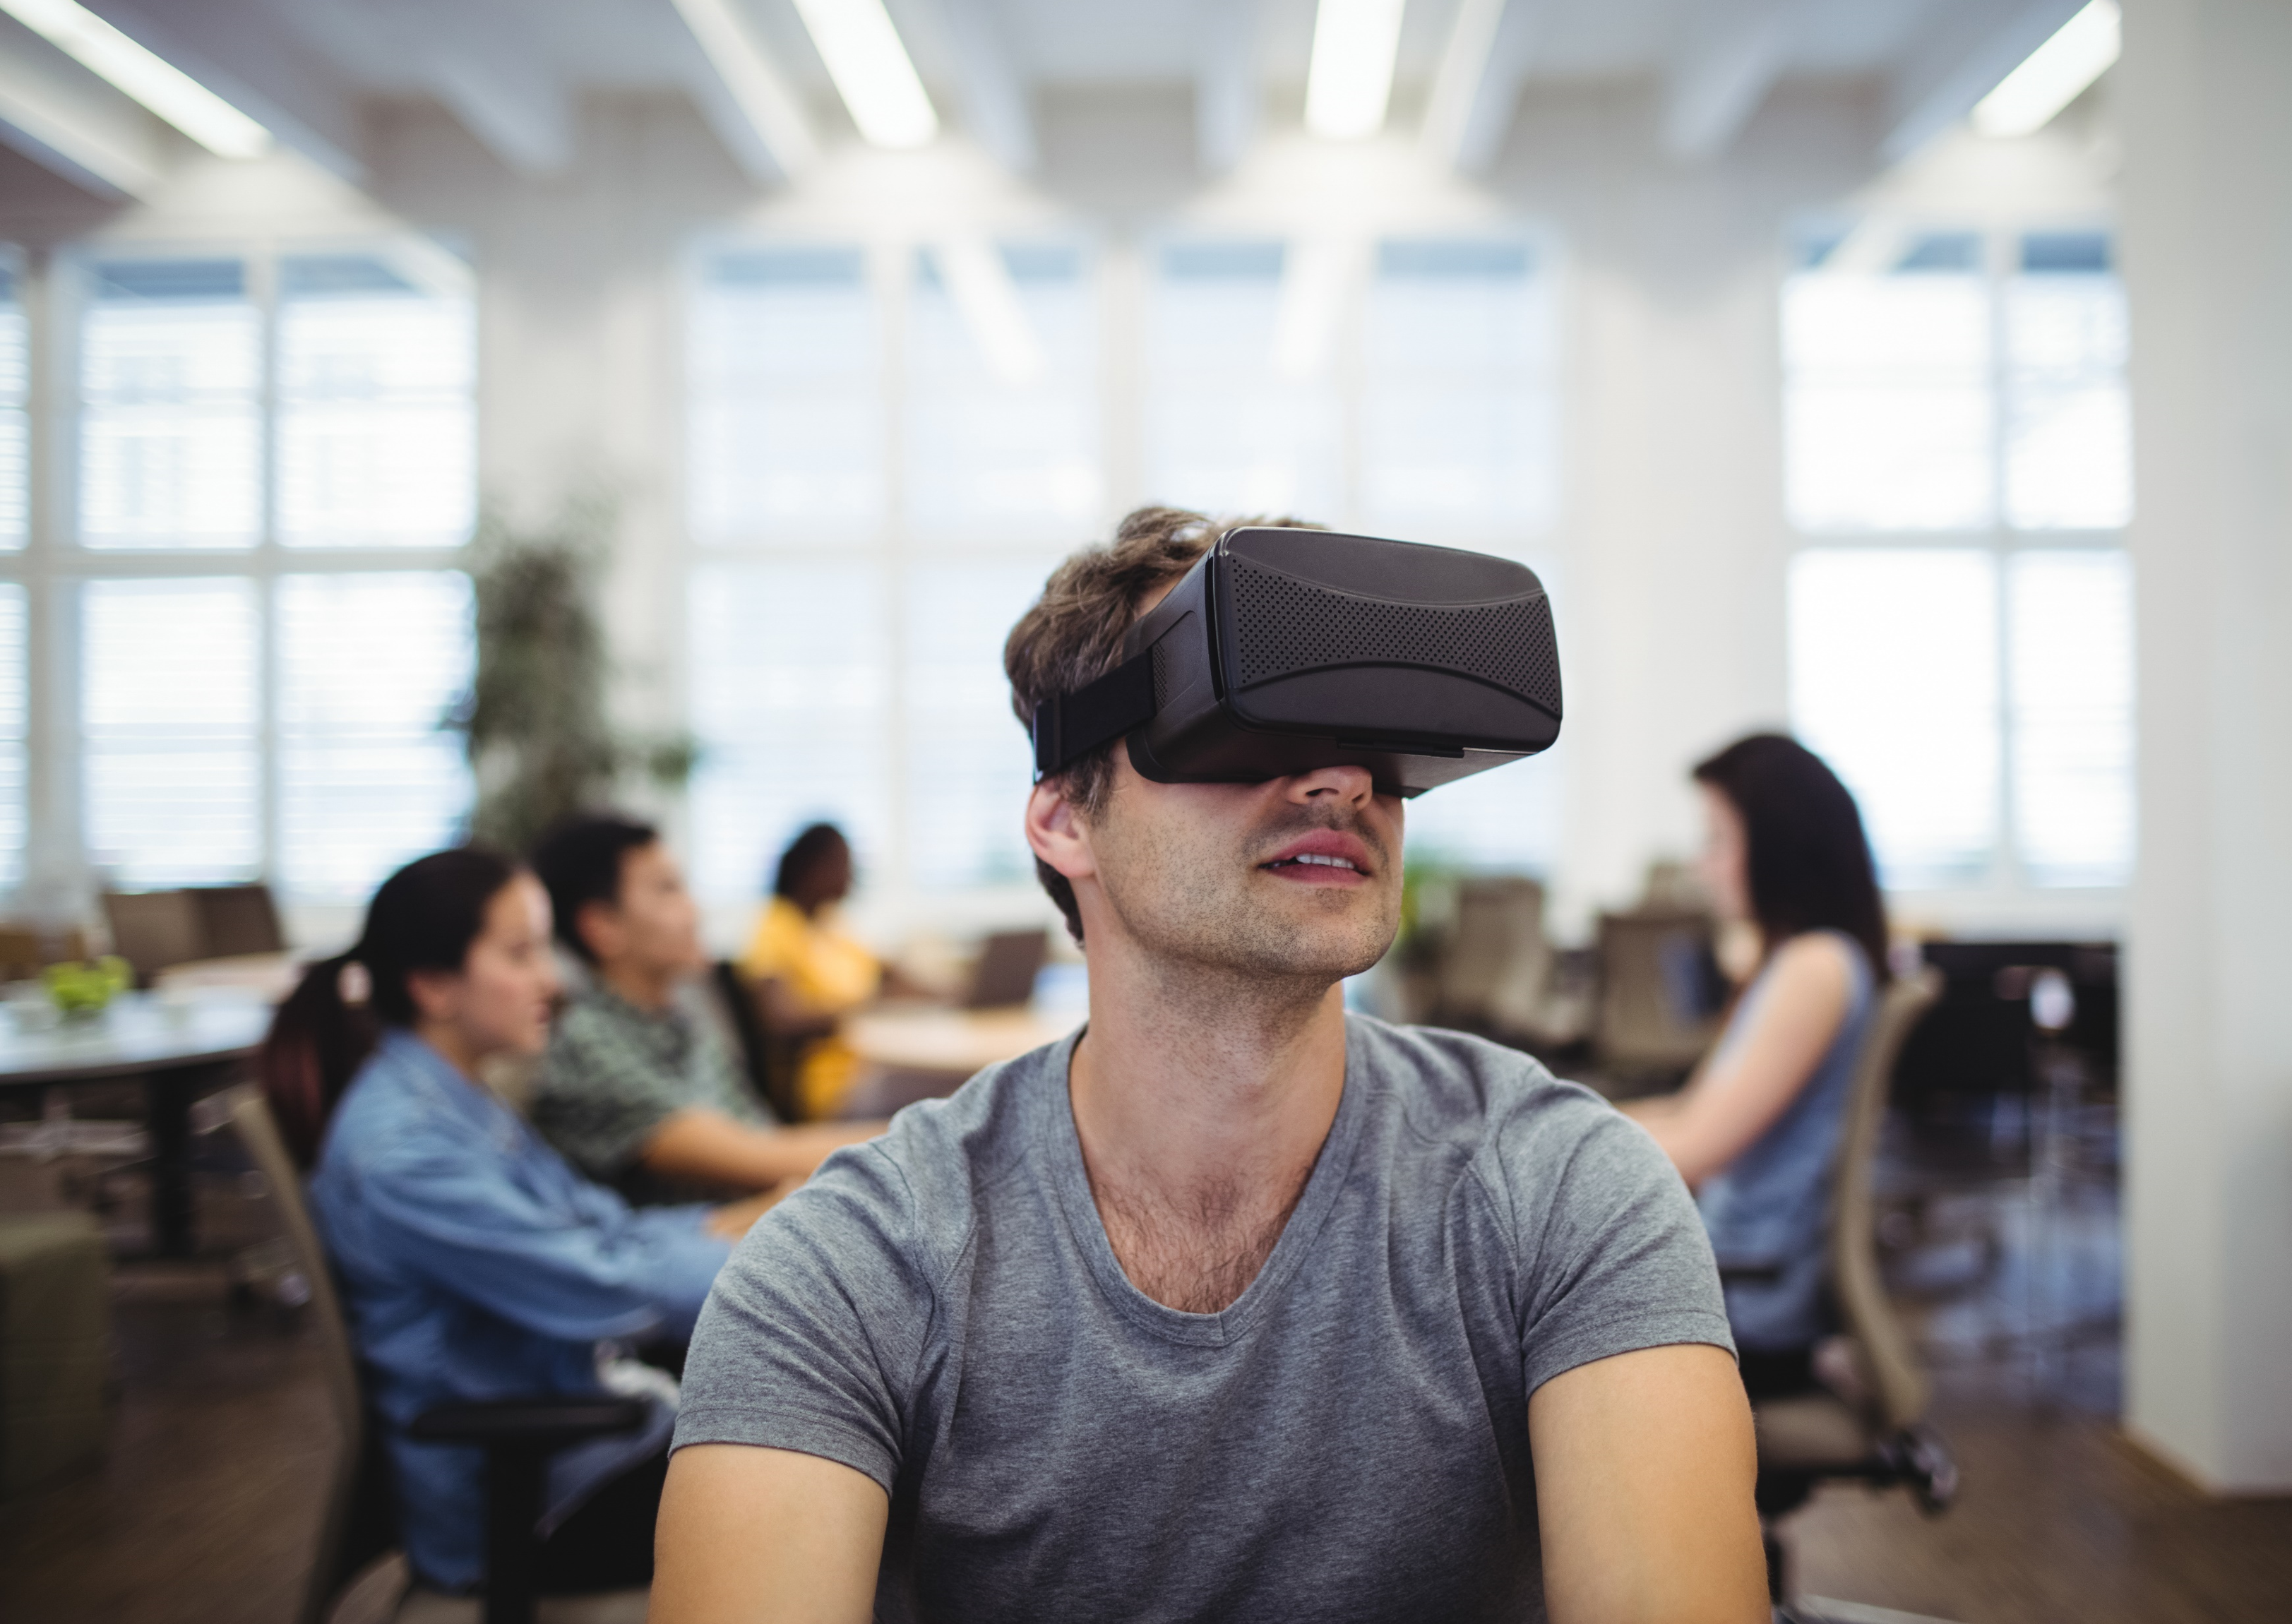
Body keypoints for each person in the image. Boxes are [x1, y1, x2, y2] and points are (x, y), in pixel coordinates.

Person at [653, 508, 1765, 1624]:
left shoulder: (1565, 1192)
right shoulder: (858, 1266)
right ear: (1062, 820)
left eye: (1369, 737)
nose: (1340, 779)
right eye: (1242, 723)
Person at [257, 847, 789, 1597]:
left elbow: (604, 1227)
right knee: (854, 1469)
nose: (552, 979)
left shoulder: (454, 1100)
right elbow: (607, 1284)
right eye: (521, 952)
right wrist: (795, 1258)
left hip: (584, 1435)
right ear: (433, 984)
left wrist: (738, 1224)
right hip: (530, 1501)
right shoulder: (405, 1149)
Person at [1620, 733, 1892, 1399]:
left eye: (1716, 839)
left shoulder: (1814, 968)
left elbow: (1693, 1148)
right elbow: (1690, 1113)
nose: (1700, 863)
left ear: (1775, 845)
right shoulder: (1793, 963)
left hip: (1751, 1299)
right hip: (1739, 1274)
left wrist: (1545, 1149)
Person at [526, 814, 877, 1204]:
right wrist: (927, 1137)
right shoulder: (588, 1046)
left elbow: (768, 1141)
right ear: (602, 926)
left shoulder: (677, 1020)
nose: (695, 911)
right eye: (668, 890)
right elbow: (759, 1158)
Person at [737, 822, 882, 1121]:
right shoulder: (775, 925)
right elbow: (780, 1021)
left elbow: (885, 971)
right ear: (813, 868)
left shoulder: (831, 924)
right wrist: (863, 1011)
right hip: (828, 1089)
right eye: (845, 864)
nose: (852, 876)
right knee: (945, 1098)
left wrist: (951, 991)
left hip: (868, 1066)